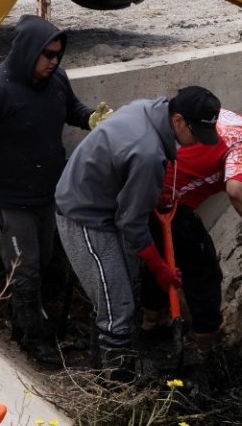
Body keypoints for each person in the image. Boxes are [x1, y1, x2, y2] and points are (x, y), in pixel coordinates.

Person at [0, 15, 111, 367]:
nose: (54, 62)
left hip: (46, 193)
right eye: (47, 55)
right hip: (7, 199)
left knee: (46, 260)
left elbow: (72, 109)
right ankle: (32, 341)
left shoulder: (56, 80)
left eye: (58, 55)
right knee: (26, 270)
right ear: (26, 52)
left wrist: (91, 120)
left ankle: (27, 323)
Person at [53, 85, 222, 378]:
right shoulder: (147, 153)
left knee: (122, 292)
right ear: (179, 120)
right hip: (83, 215)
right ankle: (116, 390)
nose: (195, 143)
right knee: (118, 308)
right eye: (195, 134)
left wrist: (148, 192)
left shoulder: (149, 109)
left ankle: (106, 362)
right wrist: (160, 269)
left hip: (106, 203)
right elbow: (132, 223)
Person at [141, 100, 242, 351]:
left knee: (160, 260)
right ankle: (206, 342)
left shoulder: (227, 117)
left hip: (148, 186)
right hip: (170, 201)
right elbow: (237, 191)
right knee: (204, 268)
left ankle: (150, 323)